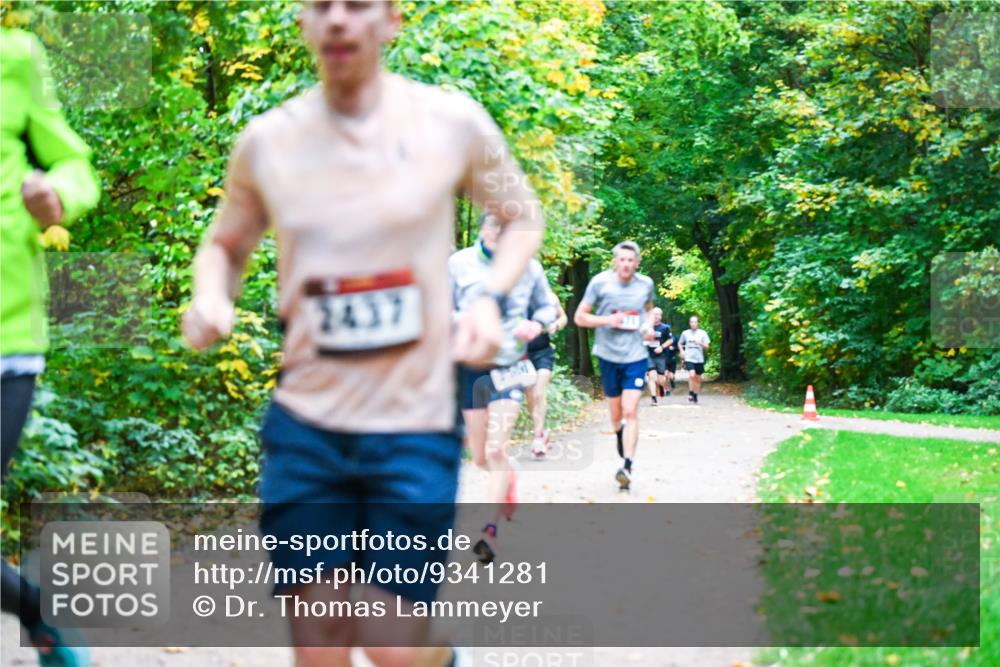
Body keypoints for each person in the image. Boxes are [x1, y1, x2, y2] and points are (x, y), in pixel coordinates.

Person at [182, 2, 543, 666]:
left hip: (413, 421)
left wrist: (490, 297)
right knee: (320, 637)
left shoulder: (450, 122)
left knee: (389, 641)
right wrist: (211, 298)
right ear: (303, 23)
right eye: (322, 6)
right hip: (307, 424)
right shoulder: (269, 141)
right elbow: (224, 246)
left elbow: (521, 219)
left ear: (392, 21)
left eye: (357, 6)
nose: (339, 20)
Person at [1, 26, 100, 667]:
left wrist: (57, 196)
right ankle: (38, 611)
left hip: (7, 338)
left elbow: (74, 164)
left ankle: (38, 614)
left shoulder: (16, 59)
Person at [451, 213, 556, 563]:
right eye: (493, 225)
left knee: (496, 451)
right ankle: (506, 478)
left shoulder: (529, 267)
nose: (499, 233)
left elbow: (546, 307)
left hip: (510, 365)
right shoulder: (458, 264)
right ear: (482, 228)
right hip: (469, 369)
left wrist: (536, 323)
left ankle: (489, 531)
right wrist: (464, 321)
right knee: (480, 456)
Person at [573, 241, 655, 490]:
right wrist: (608, 320)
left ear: (637, 263)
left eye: (631, 260)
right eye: (622, 260)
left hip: (635, 356)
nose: (626, 264)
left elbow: (650, 310)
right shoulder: (600, 283)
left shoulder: (646, 284)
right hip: (608, 355)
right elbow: (579, 317)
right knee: (616, 415)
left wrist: (648, 326)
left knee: (631, 411)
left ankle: (627, 466)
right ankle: (620, 434)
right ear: (615, 261)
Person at [524, 291, 567, 458]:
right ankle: (540, 431)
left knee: (538, 391)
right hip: (523, 354)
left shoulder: (549, 296)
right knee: (530, 396)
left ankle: (538, 437)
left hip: (544, 352)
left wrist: (556, 325)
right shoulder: (517, 295)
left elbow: (563, 317)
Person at [644, 307, 673, 406]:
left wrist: (661, 347)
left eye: (657, 314)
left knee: (661, 380)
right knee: (651, 376)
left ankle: (661, 386)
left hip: (661, 356)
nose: (655, 316)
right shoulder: (647, 327)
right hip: (649, 354)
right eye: (653, 314)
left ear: (660, 316)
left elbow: (670, 340)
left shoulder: (665, 327)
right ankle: (653, 398)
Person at [679, 315, 711, 404]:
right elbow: (680, 343)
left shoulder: (703, 333)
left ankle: (695, 395)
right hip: (689, 358)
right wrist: (682, 351)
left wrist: (700, 343)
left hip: (699, 359)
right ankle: (690, 392)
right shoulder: (685, 333)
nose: (693, 324)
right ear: (689, 323)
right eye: (692, 322)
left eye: (695, 322)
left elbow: (707, 347)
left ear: (698, 323)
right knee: (692, 374)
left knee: (698, 379)